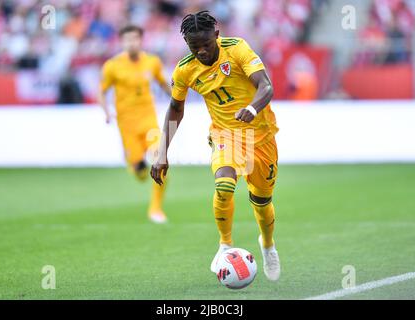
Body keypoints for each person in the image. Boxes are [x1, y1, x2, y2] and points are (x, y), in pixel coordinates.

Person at [150, 11, 281, 281]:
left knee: (261, 201)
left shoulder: (237, 49)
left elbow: (266, 86)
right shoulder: (185, 70)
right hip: (226, 136)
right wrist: (162, 153)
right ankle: (224, 245)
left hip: (261, 135)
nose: (201, 51)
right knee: (224, 186)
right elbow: (175, 110)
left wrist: (252, 109)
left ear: (217, 36)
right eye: (193, 47)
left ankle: (267, 245)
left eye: (206, 45)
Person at [99, 25, 171, 224]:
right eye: (127, 39)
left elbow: (163, 82)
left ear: (141, 41)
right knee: (140, 174)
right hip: (127, 125)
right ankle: (134, 165)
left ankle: (156, 209)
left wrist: (176, 100)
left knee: (161, 160)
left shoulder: (152, 62)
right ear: (122, 42)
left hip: (149, 121)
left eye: (135, 39)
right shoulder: (112, 66)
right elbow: (101, 91)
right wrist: (106, 112)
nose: (131, 43)